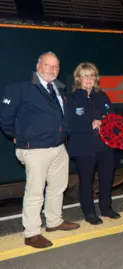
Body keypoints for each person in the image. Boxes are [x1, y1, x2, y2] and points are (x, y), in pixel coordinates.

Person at [0, 52, 80, 248]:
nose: (52, 69)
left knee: (58, 186)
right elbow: (5, 118)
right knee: (35, 192)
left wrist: (65, 132)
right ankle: (32, 233)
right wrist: (19, 136)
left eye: (56, 66)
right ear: (38, 66)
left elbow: (64, 116)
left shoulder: (59, 88)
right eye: (48, 65)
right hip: (35, 149)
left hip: (58, 147)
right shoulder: (20, 89)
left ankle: (54, 221)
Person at [66, 62, 121, 225]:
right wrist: (89, 125)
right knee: (86, 180)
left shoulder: (103, 97)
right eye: (84, 75)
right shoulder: (71, 98)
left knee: (106, 177)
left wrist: (113, 127)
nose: (88, 78)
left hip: (105, 145)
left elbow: (113, 118)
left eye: (91, 75)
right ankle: (89, 212)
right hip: (84, 147)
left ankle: (106, 207)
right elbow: (68, 124)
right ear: (78, 78)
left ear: (96, 78)